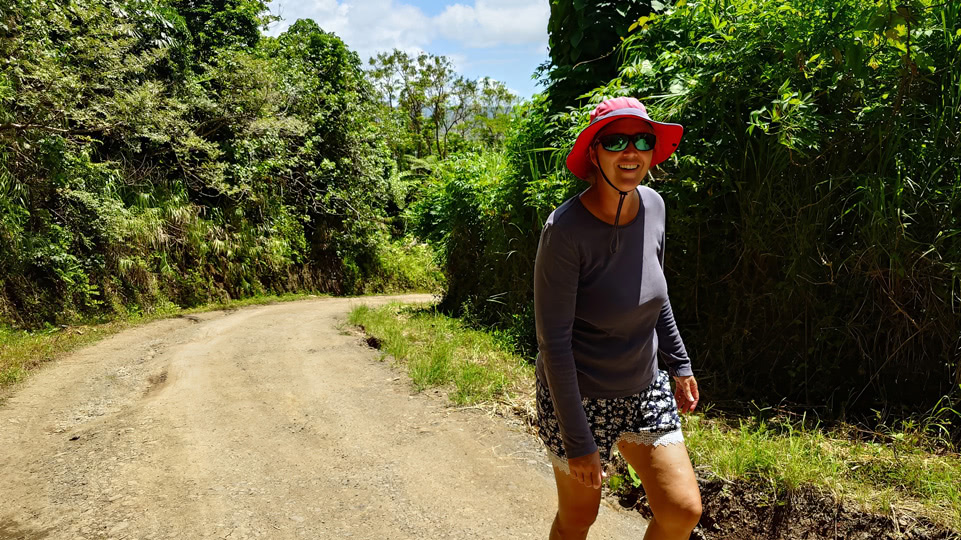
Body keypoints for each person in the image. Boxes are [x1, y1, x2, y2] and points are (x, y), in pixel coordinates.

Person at [533, 96, 702, 540]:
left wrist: (679, 364)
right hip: (578, 395)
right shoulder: (564, 231)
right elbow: (555, 344)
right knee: (578, 518)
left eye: (642, 140)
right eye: (615, 141)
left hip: (644, 385)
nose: (631, 152)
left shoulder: (655, 207)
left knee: (682, 510)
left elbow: (656, 293)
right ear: (594, 153)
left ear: (652, 151)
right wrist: (578, 442)